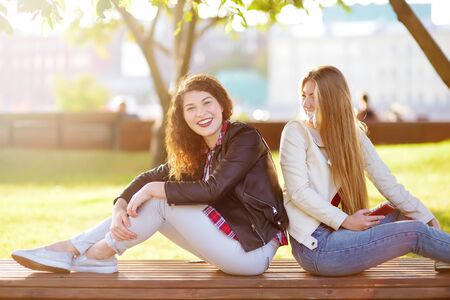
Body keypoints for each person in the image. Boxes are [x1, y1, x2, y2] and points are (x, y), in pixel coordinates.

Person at [12, 74, 288, 275]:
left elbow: (213, 189)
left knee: (159, 200)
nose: (201, 113)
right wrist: (121, 204)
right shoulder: (199, 151)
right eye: (190, 108)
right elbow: (148, 178)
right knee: (153, 198)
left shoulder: (243, 138)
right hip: (228, 244)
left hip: (252, 252)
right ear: (182, 117)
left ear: (222, 105)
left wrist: (153, 190)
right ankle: (82, 250)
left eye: (207, 103)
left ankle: (93, 251)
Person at [279, 65, 450, 276]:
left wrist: (427, 217)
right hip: (316, 247)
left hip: (339, 232)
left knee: (403, 210)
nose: (306, 103)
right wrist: (346, 220)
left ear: (332, 98)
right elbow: (299, 193)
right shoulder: (296, 132)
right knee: (414, 232)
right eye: (304, 95)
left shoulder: (353, 136)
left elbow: (388, 183)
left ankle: (444, 257)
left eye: (313, 96)